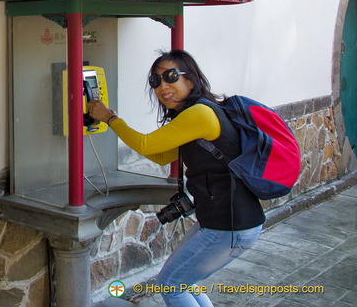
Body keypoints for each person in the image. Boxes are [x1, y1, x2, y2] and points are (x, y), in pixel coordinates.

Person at [87, 49, 264, 307]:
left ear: (191, 79)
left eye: (171, 76)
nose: (163, 87)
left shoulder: (200, 114)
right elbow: (160, 156)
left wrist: (110, 118)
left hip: (229, 225)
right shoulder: (193, 115)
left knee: (171, 286)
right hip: (226, 221)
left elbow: (147, 145)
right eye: (155, 81)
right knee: (182, 283)